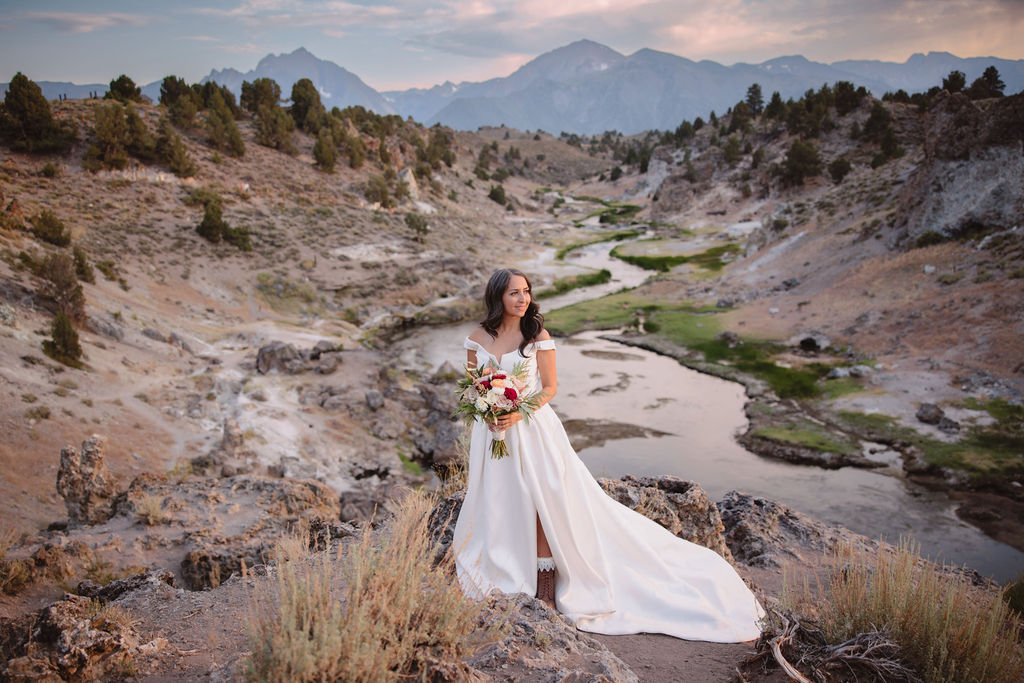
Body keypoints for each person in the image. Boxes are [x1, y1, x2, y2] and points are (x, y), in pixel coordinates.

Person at [453, 268, 765, 642]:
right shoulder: (476, 339)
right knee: (502, 500)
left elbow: (549, 388)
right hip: (492, 435)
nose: (522, 299)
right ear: (497, 297)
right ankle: (504, 565)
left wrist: (518, 411)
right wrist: (488, 410)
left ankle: (547, 584)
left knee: (543, 501)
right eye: (513, 293)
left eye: (526, 292)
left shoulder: (537, 336)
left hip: (534, 429)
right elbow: (472, 390)